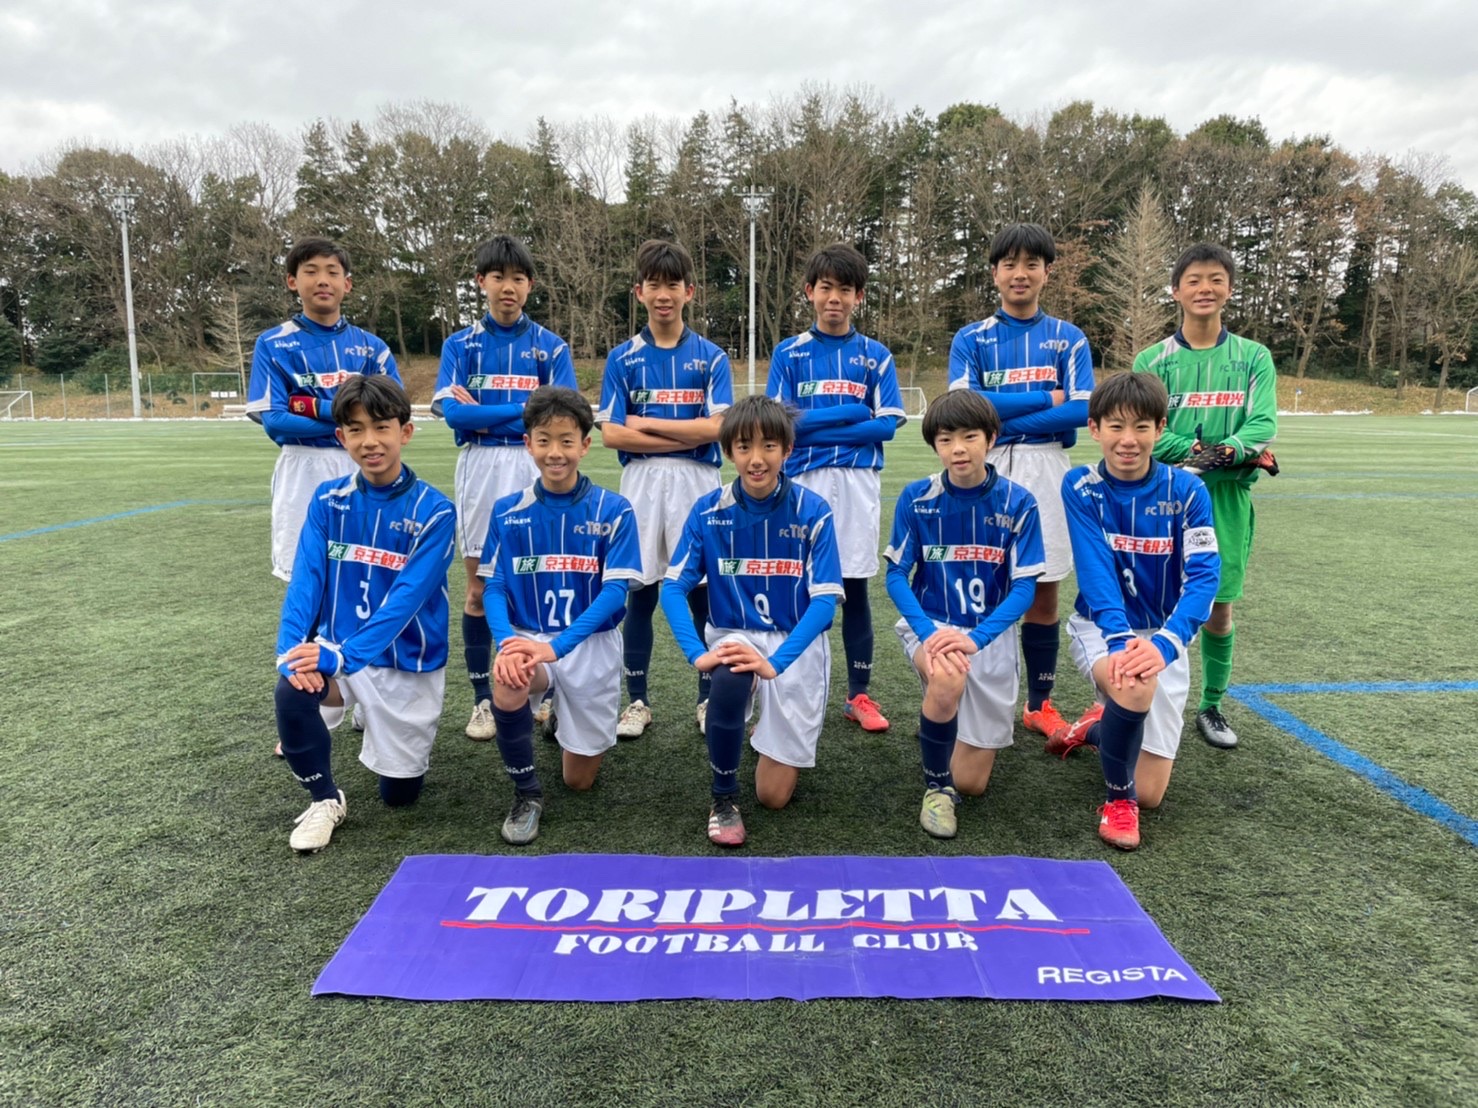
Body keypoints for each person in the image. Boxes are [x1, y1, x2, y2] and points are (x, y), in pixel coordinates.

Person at [272, 376, 455, 853]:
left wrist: (344, 658)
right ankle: (324, 798)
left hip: (405, 661)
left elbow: (404, 603)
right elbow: (306, 581)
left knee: (400, 796)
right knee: (292, 687)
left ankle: (369, 719)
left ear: (405, 432)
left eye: (381, 427)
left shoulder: (436, 512)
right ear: (341, 437)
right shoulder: (327, 500)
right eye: (355, 430)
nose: (369, 441)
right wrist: (289, 651)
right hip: (338, 653)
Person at [660, 396, 844, 847]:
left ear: (788, 449)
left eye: (769, 446)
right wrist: (697, 654)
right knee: (728, 676)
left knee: (773, 797)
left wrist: (774, 664)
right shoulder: (708, 510)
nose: (756, 459)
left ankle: (768, 732)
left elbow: (824, 603)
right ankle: (723, 798)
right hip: (735, 633)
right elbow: (672, 587)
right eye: (744, 447)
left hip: (794, 642)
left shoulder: (813, 510)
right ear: (729, 451)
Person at [1056, 373, 1221, 851]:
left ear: (1160, 428)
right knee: (1132, 683)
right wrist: (1121, 640)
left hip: (1164, 634)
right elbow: (1095, 572)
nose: (1128, 440)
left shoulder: (1188, 491)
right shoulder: (1081, 486)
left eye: (1141, 427)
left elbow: (1205, 577)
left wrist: (1166, 643)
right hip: (1101, 628)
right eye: (1116, 426)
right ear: (1094, 428)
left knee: (1152, 794)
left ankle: (1097, 728)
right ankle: (1117, 801)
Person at [947, 223, 1093, 746]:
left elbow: (1082, 410)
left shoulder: (1069, 338)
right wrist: (1047, 401)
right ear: (994, 273)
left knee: (1043, 589)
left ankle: (1038, 704)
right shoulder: (972, 339)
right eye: (1009, 263)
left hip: (1045, 469)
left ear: (1047, 272)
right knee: (979, 585)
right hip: (982, 469)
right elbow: (963, 407)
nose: (1020, 273)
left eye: (1032, 264)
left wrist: (1000, 420)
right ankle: (971, 694)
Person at [478, 387, 643, 845]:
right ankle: (527, 793)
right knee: (509, 678)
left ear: (585, 445)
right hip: (528, 636)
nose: (556, 452)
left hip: (588, 644)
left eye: (567, 441)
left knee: (579, 781)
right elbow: (493, 587)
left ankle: (558, 717)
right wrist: (508, 643)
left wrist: (558, 646)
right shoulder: (507, 511)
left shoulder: (615, 510)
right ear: (528, 444)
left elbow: (615, 592)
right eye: (544, 440)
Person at [431, 235, 578, 744]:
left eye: (517, 278)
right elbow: (455, 415)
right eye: (498, 277)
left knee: (549, 577)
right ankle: (483, 700)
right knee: (478, 589)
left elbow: (563, 417)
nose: (507, 287)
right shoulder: (460, 345)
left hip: (541, 463)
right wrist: (528, 408)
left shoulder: (551, 347)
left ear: (530, 285)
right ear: (481, 282)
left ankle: (552, 690)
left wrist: (486, 412)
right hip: (481, 468)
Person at [1134, 243, 1278, 750]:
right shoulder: (1153, 359)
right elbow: (1145, 428)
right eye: (1194, 280)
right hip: (1166, 498)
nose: (1205, 288)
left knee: (1218, 606)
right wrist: (1196, 450)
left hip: (1226, 501)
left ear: (1229, 289)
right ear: (1176, 291)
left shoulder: (1254, 357)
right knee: (1153, 602)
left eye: (1216, 279)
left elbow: (1263, 423)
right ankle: (1143, 694)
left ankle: (1212, 705)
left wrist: (1230, 450)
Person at [884, 391, 1045, 838]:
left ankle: (942, 726)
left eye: (969, 437)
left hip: (987, 634)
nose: (958, 448)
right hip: (933, 624)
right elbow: (896, 575)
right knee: (947, 674)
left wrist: (976, 638)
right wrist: (928, 633)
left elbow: (1024, 588)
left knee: (972, 783)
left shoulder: (1019, 502)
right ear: (934, 445)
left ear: (991, 438)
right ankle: (936, 789)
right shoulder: (917, 498)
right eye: (945, 439)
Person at [595, 239, 734, 739]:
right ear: (639, 292)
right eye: (653, 284)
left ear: (689, 291)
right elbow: (611, 435)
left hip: (697, 482)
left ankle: (708, 697)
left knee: (702, 590)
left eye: (672, 284)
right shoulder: (622, 358)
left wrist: (646, 422)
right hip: (641, 482)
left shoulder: (712, 357)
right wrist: (686, 431)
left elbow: (718, 428)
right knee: (641, 590)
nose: (663, 294)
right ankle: (637, 700)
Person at [766, 243, 906, 734]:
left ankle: (858, 694)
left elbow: (886, 426)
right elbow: (782, 424)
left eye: (845, 290)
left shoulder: (876, 356)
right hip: (801, 483)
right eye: (825, 288)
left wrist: (815, 425)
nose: (834, 298)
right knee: (798, 586)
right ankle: (788, 687)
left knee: (854, 585)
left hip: (857, 484)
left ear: (858, 297)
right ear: (809, 291)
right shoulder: (789, 353)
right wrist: (851, 412)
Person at [246, 238, 400, 583]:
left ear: (347, 283)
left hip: (364, 465)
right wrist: (356, 424)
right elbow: (276, 422)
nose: (322, 281)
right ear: (292, 281)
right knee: (305, 576)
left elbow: (392, 412)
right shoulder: (272, 343)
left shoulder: (372, 348)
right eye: (311, 271)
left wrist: (313, 406)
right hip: (303, 466)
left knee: (367, 569)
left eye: (332, 272)